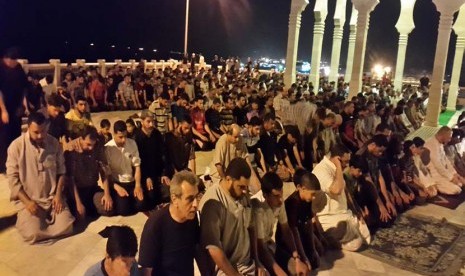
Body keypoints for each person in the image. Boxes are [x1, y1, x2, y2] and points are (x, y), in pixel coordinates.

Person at [6, 112, 75, 243]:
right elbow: (13, 180)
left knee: (67, 226)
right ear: (28, 129)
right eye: (36, 132)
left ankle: (47, 224)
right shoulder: (16, 147)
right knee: (33, 233)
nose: (40, 135)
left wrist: (58, 195)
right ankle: (30, 221)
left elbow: (61, 171)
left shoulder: (54, 143)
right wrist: (27, 202)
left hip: (52, 198)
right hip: (30, 200)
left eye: (43, 131)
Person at [199, 158, 262, 275]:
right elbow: (213, 249)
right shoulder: (213, 202)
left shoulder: (243, 196)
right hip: (225, 269)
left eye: (246, 187)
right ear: (228, 180)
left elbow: (251, 228)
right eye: (241, 187)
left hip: (247, 264)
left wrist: (258, 262)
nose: (245, 191)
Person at [139, 171, 200, 275]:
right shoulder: (155, 224)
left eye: (196, 197)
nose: (195, 204)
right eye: (190, 199)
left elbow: (198, 252)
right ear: (174, 199)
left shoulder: (192, 218)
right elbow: (146, 270)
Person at [313, 144, 371, 251]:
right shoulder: (321, 170)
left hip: (343, 213)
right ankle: (328, 239)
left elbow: (345, 192)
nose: (348, 165)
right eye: (345, 162)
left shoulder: (335, 168)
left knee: (366, 236)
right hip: (329, 217)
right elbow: (337, 190)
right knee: (356, 243)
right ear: (337, 159)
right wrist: (339, 167)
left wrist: (356, 210)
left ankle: (343, 235)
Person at [252, 172, 310, 275]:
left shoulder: (279, 202)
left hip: (269, 245)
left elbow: (286, 230)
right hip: (256, 252)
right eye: (276, 196)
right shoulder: (258, 208)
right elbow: (260, 248)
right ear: (265, 195)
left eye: (281, 194)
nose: (280, 199)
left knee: (300, 270)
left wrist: (296, 258)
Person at [64, 125, 113, 219]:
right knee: (78, 216)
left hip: (92, 188)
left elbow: (104, 171)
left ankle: (91, 207)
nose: (91, 148)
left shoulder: (97, 146)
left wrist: (107, 194)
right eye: (88, 144)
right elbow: (70, 179)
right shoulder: (71, 149)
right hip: (77, 191)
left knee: (108, 208)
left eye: (93, 145)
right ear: (81, 139)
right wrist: (78, 203)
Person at [279, 169, 323, 270]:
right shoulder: (293, 203)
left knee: (317, 256)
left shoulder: (308, 200)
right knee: (303, 267)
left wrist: (313, 247)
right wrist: (304, 257)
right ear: (301, 188)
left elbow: (308, 223)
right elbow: (293, 231)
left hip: (301, 234)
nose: (314, 198)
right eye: (312, 194)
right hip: (290, 241)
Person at [105, 120, 144, 215]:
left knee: (141, 205)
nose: (124, 140)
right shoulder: (107, 148)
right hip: (117, 183)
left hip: (131, 181)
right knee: (124, 211)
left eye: (125, 136)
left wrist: (138, 185)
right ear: (114, 134)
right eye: (120, 137)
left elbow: (137, 166)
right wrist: (116, 187)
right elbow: (106, 173)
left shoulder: (132, 143)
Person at [0, 48, 30, 173]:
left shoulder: (18, 68)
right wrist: (3, 110)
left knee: (15, 136)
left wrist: (25, 106)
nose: (14, 63)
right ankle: (3, 166)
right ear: (6, 59)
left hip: (16, 107)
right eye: (12, 60)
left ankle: (15, 163)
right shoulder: (1, 68)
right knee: (3, 137)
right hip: (3, 107)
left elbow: (23, 89)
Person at [134, 110, 169, 208]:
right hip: (145, 175)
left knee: (168, 192)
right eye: (148, 121)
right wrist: (146, 177)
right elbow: (137, 162)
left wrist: (164, 174)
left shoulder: (157, 134)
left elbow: (163, 155)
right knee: (151, 198)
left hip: (158, 174)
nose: (151, 124)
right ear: (142, 122)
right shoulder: (137, 138)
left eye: (153, 122)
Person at [424, 126, 464, 195]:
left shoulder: (440, 143)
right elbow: (437, 165)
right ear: (443, 135)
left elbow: (446, 160)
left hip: (443, 172)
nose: (450, 139)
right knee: (457, 189)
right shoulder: (430, 144)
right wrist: (451, 178)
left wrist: (455, 174)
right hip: (434, 174)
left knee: (461, 183)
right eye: (449, 137)